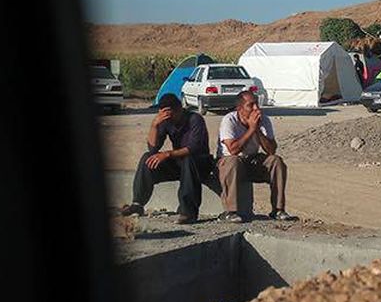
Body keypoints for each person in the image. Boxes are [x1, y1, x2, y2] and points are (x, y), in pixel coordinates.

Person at [120, 93, 213, 224]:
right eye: (164, 114)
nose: (168, 117)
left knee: (188, 159)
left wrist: (167, 154)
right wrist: (154, 125)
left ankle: (188, 212)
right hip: (179, 163)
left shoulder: (194, 119)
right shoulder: (166, 121)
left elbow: (194, 148)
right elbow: (153, 149)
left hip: (200, 163)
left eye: (170, 113)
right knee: (147, 158)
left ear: (179, 109)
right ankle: (137, 204)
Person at [216, 90, 293, 223]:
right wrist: (251, 129)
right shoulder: (229, 120)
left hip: (251, 160)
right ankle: (230, 211)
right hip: (229, 163)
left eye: (257, 104)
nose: (256, 108)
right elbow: (233, 150)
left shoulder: (264, 120)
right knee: (233, 161)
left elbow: (271, 150)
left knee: (276, 161)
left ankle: (278, 209)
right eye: (250, 105)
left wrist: (257, 129)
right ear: (240, 108)